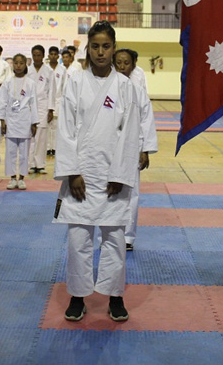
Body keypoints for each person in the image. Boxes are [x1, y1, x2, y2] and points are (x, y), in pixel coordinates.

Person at [55, 21, 140, 322]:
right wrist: (71, 172)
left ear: (114, 48)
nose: (100, 52)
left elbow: (130, 133)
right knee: (78, 239)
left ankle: (115, 296)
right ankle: (77, 295)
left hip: (112, 177)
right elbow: (65, 128)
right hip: (81, 174)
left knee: (114, 239)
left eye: (106, 46)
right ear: (87, 48)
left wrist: (119, 174)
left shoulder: (125, 86)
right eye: (95, 46)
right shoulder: (76, 82)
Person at [114, 48, 158, 251]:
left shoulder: (139, 92)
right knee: (109, 191)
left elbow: (147, 121)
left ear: (133, 66)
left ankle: (128, 237)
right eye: (119, 63)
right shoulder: (105, 89)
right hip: (109, 148)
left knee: (132, 192)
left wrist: (146, 150)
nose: (122, 67)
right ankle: (110, 233)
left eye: (126, 63)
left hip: (133, 146)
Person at [0, 54, 39, 190]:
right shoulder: (8, 82)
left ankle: (22, 179)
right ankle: (12, 178)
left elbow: (34, 103)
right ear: (12, 65)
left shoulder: (30, 83)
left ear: (25, 64)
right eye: (16, 63)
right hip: (11, 120)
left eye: (21, 63)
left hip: (25, 119)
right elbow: (2, 101)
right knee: (11, 152)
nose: (19, 65)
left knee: (24, 152)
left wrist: (34, 122)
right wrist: (2, 120)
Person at [29, 45, 56, 175]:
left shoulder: (48, 71)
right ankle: (30, 164)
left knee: (42, 135)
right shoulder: (28, 70)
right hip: (29, 106)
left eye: (39, 55)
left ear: (43, 56)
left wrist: (51, 109)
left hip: (43, 105)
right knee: (30, 135)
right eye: (34, 55)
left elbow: (52, 90)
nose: (37, 57)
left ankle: (40, 164)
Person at [47, 46, 67, 158]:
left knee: (55, 125)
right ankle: (47, 148)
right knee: (46, 125)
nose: (53, 56)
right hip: (47, 100)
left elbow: (65, 87)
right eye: (52, 54)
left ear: (58, 56)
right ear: (48, 56)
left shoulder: (62, 69)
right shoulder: (45, 69)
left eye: (55, 54)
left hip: (59, 100)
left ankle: (54, 148)